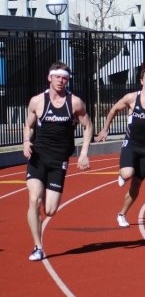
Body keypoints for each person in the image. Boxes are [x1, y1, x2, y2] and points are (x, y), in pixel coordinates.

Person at [23, 62, 93, 261]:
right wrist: (26, 141)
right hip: (38, 158)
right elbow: (28, 125)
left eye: (65, 78)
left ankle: (46, 190)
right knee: (34, 199)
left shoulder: (74, 102)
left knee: (50, 210)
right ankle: (38, 247)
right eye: (58, 77)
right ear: (50, 78)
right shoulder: (37, 101)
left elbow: (88, 126)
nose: (61, 81)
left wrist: (83, 153)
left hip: (58, 161)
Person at [95, 67, 145, 227]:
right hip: (130, 143)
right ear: (141, 81)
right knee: (128, 173)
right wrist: (105, 128)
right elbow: (114, 109)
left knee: (136, 184)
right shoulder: (132, 98)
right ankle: (122, 174)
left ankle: (121, 214)